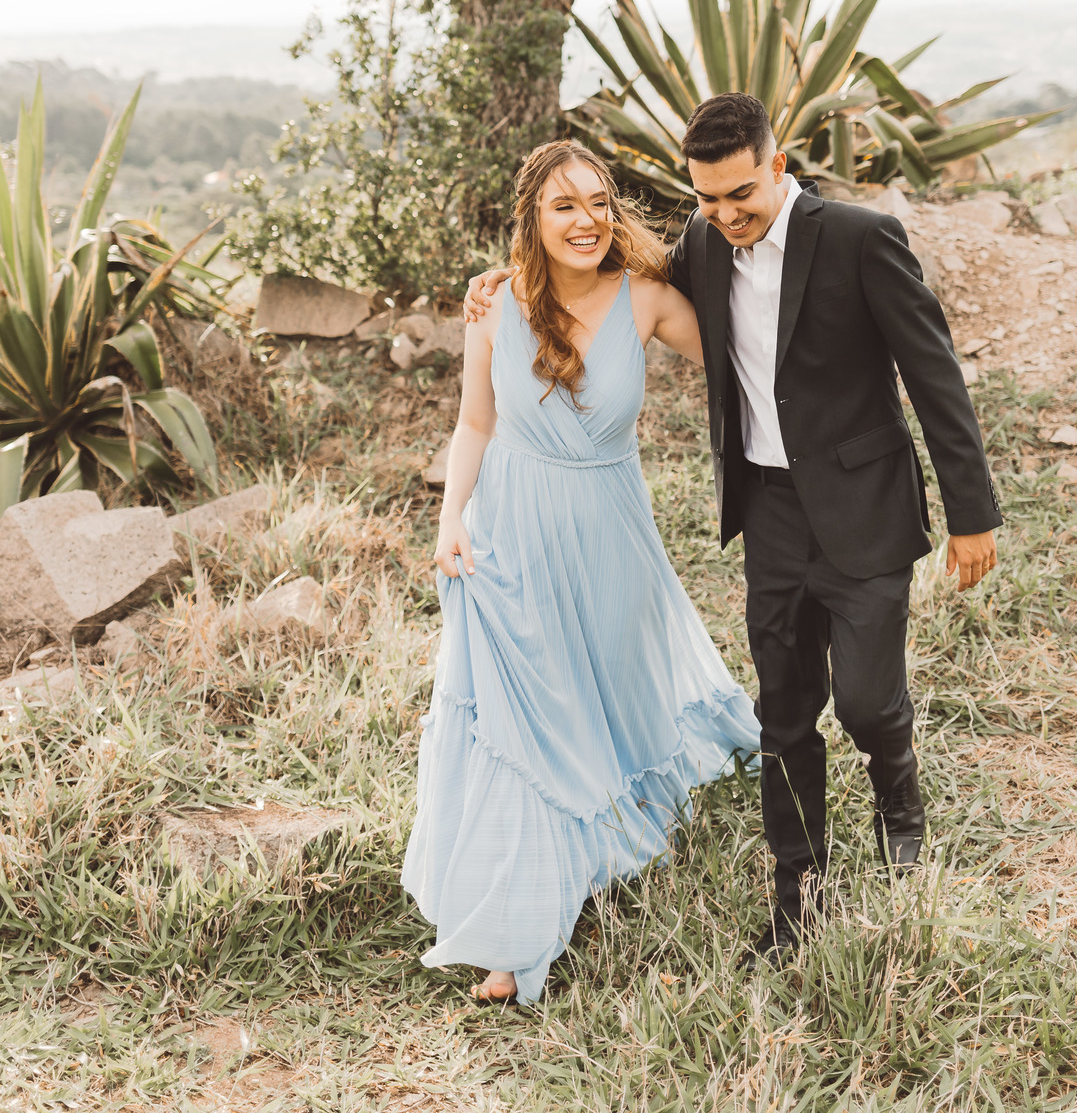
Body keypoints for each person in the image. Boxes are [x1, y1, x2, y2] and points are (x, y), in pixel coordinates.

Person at [467, 93, 1001, 964]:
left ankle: (898, 799)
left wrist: (970, 516)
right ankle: (799, 894)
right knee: (784, 713)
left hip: (865, 508)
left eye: (740, 194)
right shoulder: (704, 249)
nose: (724, 215)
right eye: (706, 199)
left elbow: (934, 375)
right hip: (772, 515)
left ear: (778, 165)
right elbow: (606, 279)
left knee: (867, 702)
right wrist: (500, 282)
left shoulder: (861, 240)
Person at [402, 140, 760, 1007]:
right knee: (525, 722)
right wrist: (451, 521)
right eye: (564, 205)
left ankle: (593, 839)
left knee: (602, 702)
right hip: (509, 540)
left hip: (610, 535)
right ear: (531, 217)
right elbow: (475, 425)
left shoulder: (646, 302)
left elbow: (752, 354)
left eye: (599, 202)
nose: (587, 220)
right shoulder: (493, 307)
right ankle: (515, 936)